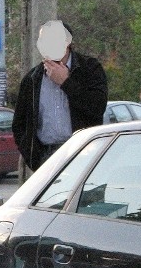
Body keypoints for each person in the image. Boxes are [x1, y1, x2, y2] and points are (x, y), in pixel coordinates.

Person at [12, 20, 108, 172]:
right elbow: (19, 125)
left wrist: (66, 82)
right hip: (47, 157)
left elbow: (97, 108)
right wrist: (33, 158)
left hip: (85, 153)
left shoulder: (89, 68)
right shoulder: (32, 79)